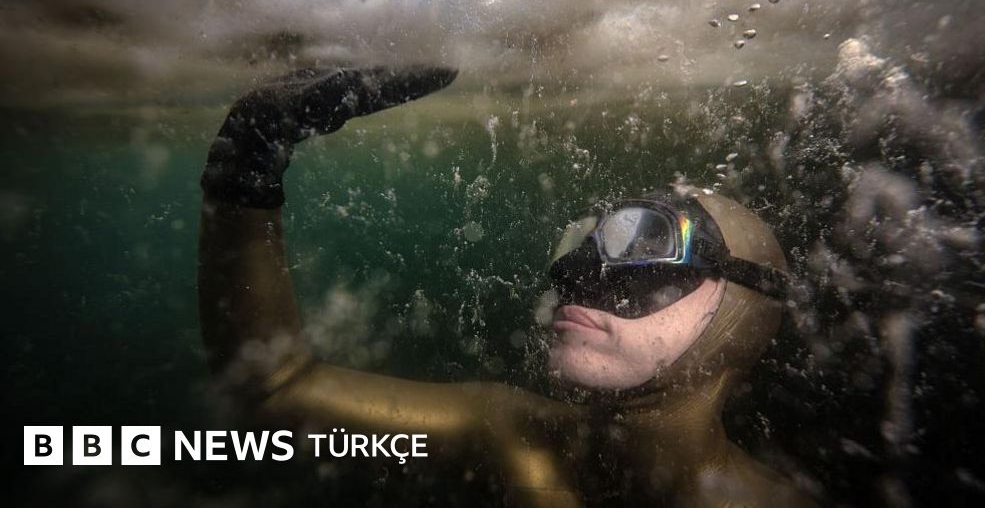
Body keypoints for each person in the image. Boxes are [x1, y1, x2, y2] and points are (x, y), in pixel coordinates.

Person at [198, 66, 814, 507]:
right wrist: (247, 158)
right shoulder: (514, 431)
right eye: (584, 241)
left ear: (742, 313)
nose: (576, 275)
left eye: (645, 245)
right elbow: (276, 392)